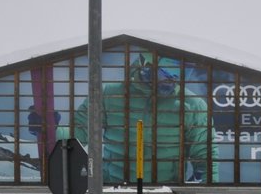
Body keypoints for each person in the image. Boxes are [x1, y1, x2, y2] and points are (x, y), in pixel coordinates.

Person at [71, 49, 210, 184]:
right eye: (170, 70)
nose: (174, 77)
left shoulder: (193, 105)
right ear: (147, 66)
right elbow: (77, 133)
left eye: (183, 72)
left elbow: (205, 156)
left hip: (167, 192)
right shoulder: (109, 94)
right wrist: (55, 134)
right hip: (113, 189)